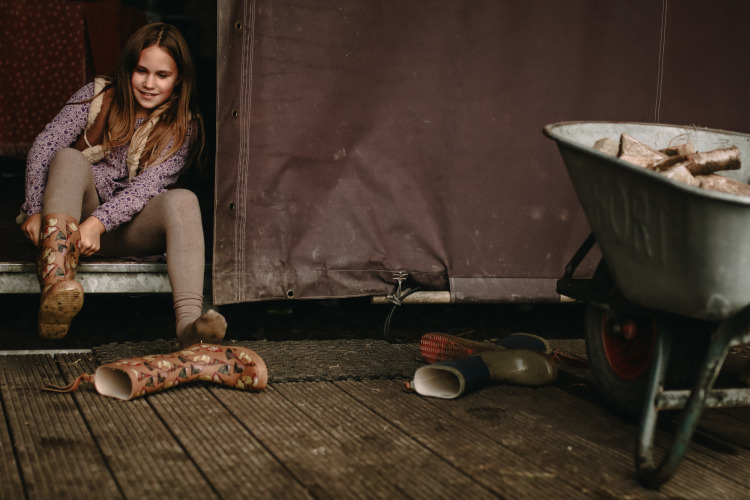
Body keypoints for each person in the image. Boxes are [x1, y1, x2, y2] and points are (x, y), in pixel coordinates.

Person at [17, 22, 226, 348]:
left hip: (131, 230)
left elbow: (148, 186)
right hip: (73, 221)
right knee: (68, 159)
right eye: (141, 70)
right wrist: (33, 210)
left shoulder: (184, 124)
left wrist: (98, 224)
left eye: (162, 75)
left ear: (179, 78)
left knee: (183, 199)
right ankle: (56, 283)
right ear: (129, 67)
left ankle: (189, 329)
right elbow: (45, 146)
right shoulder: (98, 95)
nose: (149, 83)